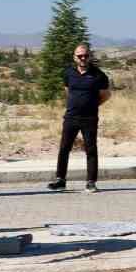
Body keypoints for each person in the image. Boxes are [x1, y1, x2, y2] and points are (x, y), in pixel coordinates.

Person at [48, 44, 110, 192]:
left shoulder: (99, 75)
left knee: (91, 150)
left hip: (89, 118)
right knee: (64, 148)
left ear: (90, 56)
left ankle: (91, 182)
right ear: (74, 57)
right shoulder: (68, 73)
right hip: (70, 117)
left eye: (85, 55)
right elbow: (68, 91)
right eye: (79, 56)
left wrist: (91, 105)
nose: (83, 58)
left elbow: (106, 95)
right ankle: (60, 180)